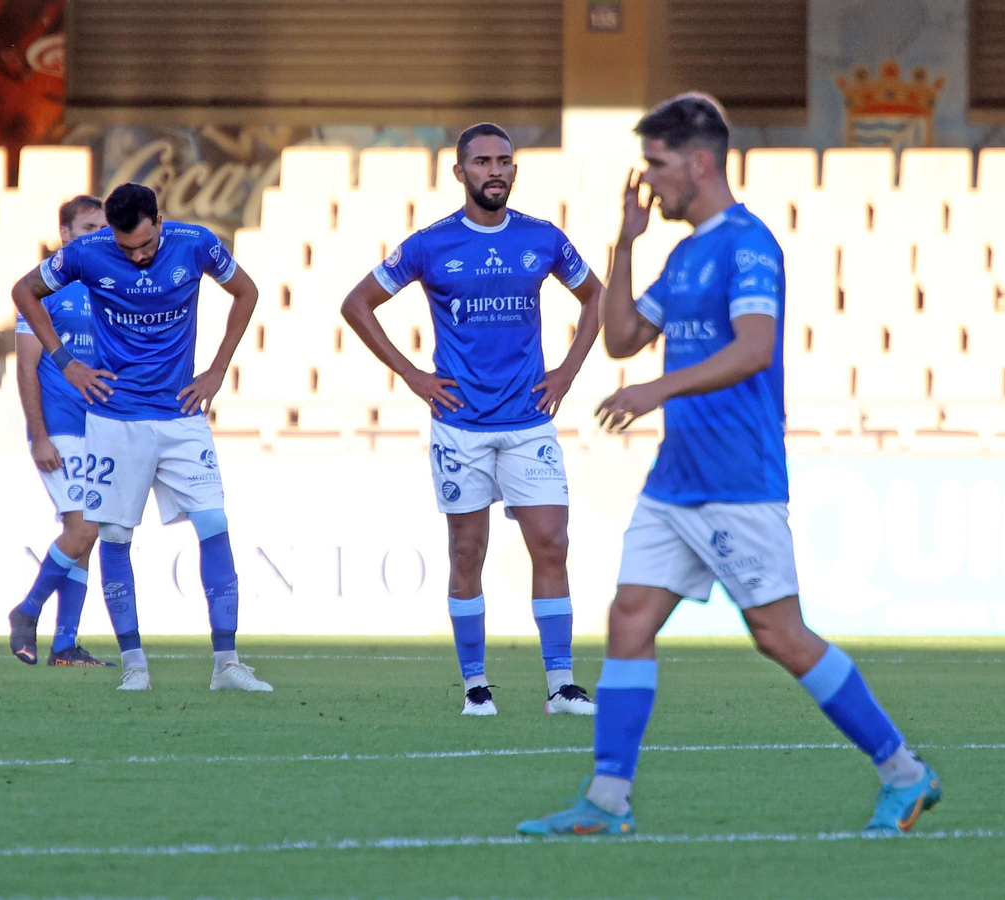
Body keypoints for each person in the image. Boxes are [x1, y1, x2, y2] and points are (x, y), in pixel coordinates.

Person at [517, 94, 940, 837]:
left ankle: (904, 773)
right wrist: (625, 241)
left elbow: (754, 347)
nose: (649, 179)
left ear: (700, 162)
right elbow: (619, 337)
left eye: (657, 164)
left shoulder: (748, 244)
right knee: (630, 618)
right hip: (676, 478)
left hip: (737, 477)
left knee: (780, 636)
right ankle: (607, 802)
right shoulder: (682, 253)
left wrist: (660, 386)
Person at [341, 123, 604, 717]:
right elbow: (356, 304)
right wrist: (411, 376)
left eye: (504, 161)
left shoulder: (543, 238)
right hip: (460, 424)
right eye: (482, 162)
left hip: (528, 420)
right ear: (458, 172)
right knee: (467, 550)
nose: (495, 171)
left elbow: (597, 297)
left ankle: (561, 684)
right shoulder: (430, 245)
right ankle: (475, 686)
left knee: (552, 544)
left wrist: (566, 372)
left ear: (515, 170)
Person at [11, 183, 272, 693]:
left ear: (160, 219)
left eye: (146, 245)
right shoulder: (86, 254)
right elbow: (24, 292)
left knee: (214, 522)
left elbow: (248, 291)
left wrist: (218, 370)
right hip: (115, 418)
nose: (138, 255)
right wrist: (67, 365)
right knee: (113, 536)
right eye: (126, 247)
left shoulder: (195, 243)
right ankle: (134, 665)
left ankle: (227, 664)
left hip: (180, 414)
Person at [6, 195, 110, 667]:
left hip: (102, 428)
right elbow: (27, 367)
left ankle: (65, 645)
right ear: (66, 234)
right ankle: (27, 611)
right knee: (83, 529)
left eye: (105, 227)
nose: (100, 235)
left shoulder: (110, 285)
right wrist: (39, 435)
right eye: (89, 227)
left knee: (85, 536)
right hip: (62, 426)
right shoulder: (43, 287)